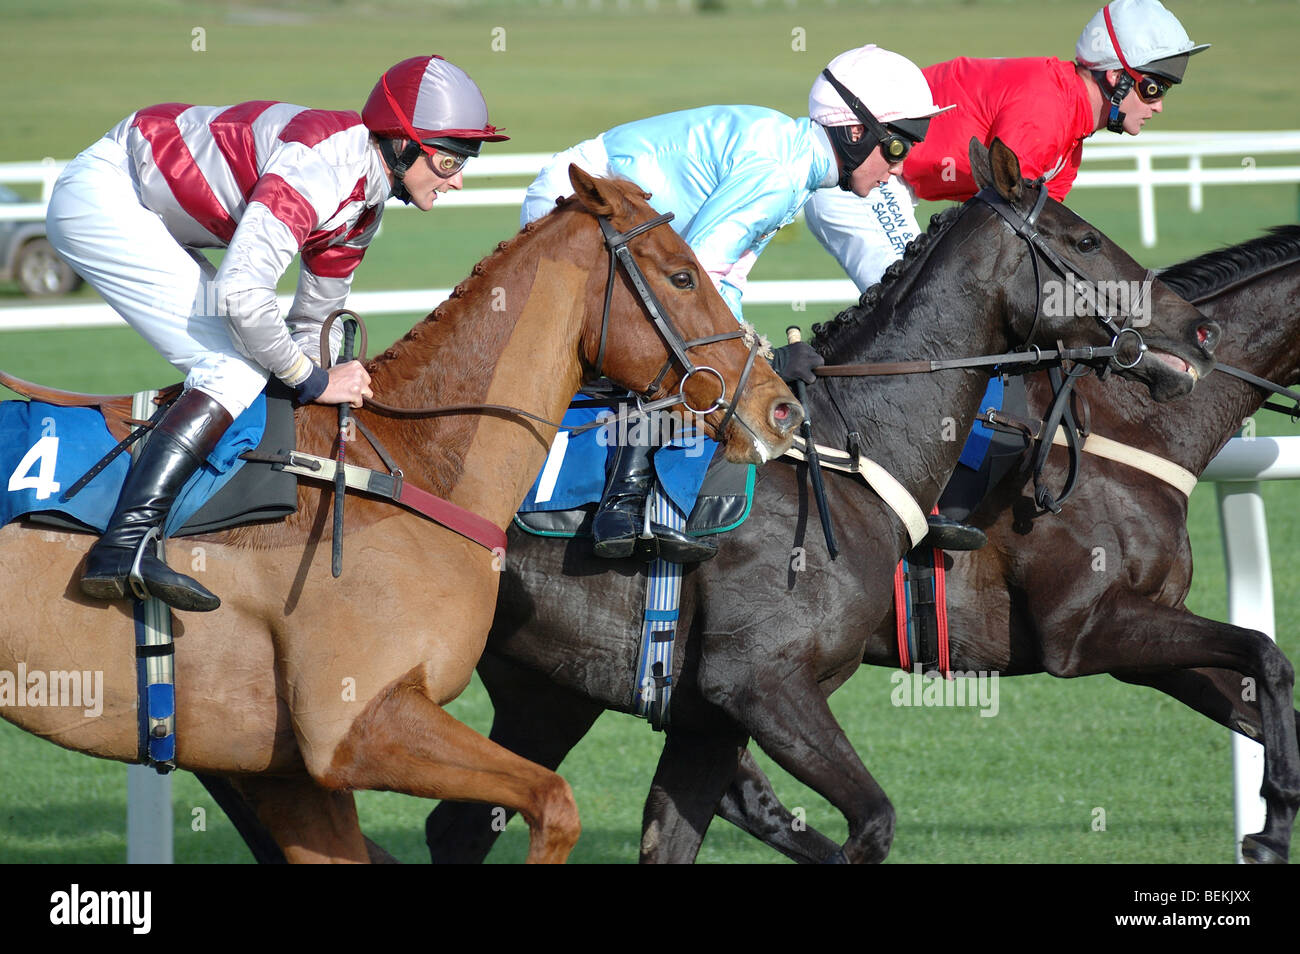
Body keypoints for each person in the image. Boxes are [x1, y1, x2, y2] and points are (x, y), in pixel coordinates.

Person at [45, 55, 508, 612]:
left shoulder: (364, 208)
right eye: (450, 159)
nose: (458, 179)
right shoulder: (323, 165)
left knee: (257, 363)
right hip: (107, 196)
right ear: (402, 143)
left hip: (151, 208)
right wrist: (311, 380)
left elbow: (315, 321)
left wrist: (332, 385)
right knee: (234, 367)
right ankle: (123, 545)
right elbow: (244, 293)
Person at [520, 44, 952, 563]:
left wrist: (747, 350)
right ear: (855, 132)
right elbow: (698, 280)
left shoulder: (794, 165)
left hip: (626, 222)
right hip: (584, 208)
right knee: (664, 346)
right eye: (898, 149)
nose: (897, 171)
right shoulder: (779, 172)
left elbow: (722, 281)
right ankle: (624, 495)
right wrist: (761, 362)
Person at [802, 0, 1208, 549]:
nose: (1158, 106)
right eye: (1153, 88)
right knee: (935, 319)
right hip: (858, 179)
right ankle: (912, 487)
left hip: (896, 186)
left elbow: (1042, 260)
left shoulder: (1070, 140)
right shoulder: (1048, 109)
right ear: (1116, 78)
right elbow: (1000, 232)